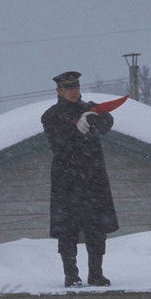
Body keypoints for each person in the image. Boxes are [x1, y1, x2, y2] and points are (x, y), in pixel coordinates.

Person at [41, 71, 119, 287]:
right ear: (59, 91)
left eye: (75, 88)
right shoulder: (51, 115)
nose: (73, 92)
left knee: (97, 229)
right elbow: (59, 144)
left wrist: (97, 117)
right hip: (67, 181)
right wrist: (76, 129)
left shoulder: (90, 108)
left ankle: (96, 273)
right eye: (68, 89)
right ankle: (71, 275)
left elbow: (106, 123)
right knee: (67, 230)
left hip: (93, 179)